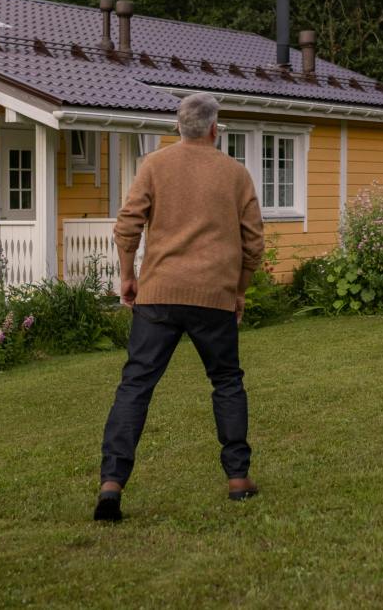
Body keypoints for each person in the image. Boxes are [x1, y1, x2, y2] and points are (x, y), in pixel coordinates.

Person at [94, 92, 265, 522]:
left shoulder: (154, 165)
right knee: (226, 382)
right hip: (214, 297)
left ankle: (111, 484)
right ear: (213, 128)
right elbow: (254, 244)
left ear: (177, 127)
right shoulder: (236, 174)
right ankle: (238, 479)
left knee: (135, 386)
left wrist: (128, 275)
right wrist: (239, 289)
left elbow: (128, 224)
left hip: (159, 295)